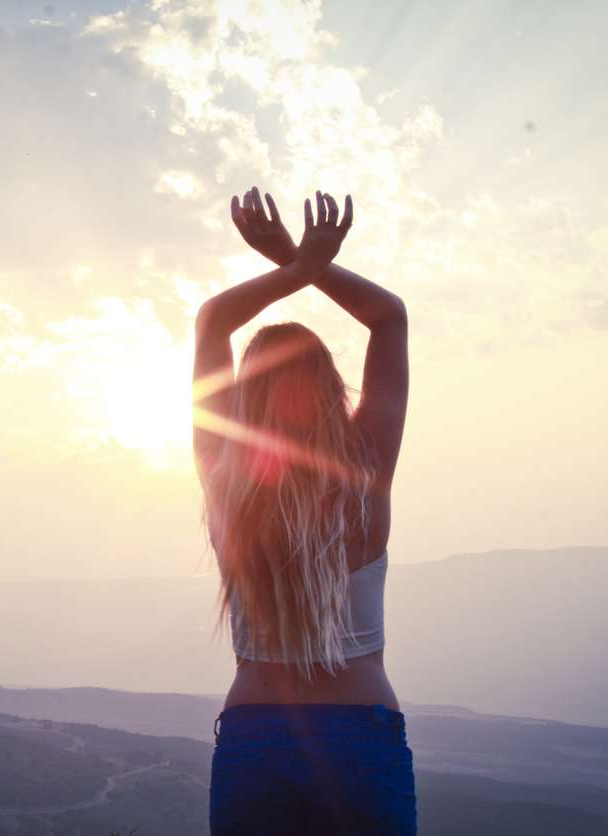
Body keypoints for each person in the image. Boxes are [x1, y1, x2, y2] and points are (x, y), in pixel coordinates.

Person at [193, 186, 415, 834]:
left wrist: (290, 268)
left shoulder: (224, 474)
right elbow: (389, 318)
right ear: (329, 386)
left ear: (243, 399)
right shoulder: (364, 469)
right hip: (360, 739)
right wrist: (306, 261)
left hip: (257, 736)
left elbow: (212, 323)